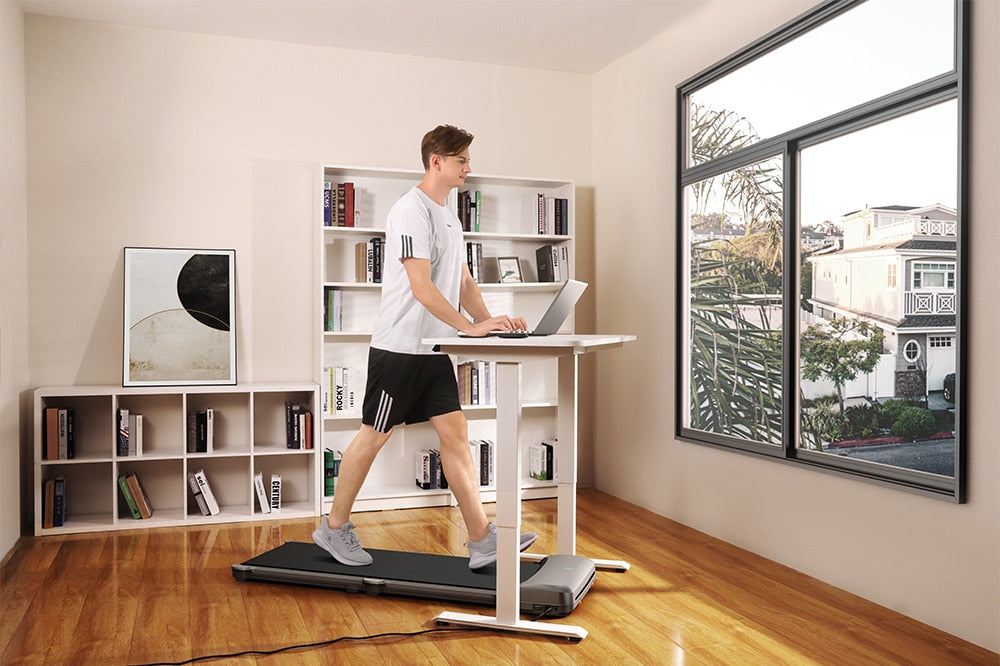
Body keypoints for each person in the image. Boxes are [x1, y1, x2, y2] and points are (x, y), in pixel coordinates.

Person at [313, 124, 537, 569]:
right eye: (462, 161)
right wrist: (469, 330)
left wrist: (489, 322)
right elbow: (421, 287)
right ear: (437, 161)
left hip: (433, 350)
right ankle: (333, 528)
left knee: (456, 435)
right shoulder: (409, 211)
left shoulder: (448, 214)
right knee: (372, 438)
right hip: (399, 350)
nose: (468, 169)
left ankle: (482, 539)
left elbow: (462, 281)